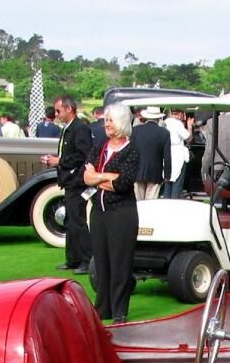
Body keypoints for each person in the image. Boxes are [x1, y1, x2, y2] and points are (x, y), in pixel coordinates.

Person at [83, 103, 139, 323]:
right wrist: (106, 177)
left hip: (121, 213)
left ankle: (119, 311)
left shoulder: (132, 149)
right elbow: (86, 177)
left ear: (122, 122)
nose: (107, 124)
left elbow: (123, 183)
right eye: (106, 120)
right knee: (102, 262)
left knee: (120, 263)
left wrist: (98, 177)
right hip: (99, 212)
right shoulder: (101, 146)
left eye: (111, 120)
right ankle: (102, 308)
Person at [41, 95, 92, 274]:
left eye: (58, 111)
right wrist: (56, 161)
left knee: (78, 221)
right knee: (70, 221)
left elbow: (83, 154)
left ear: (69, 109)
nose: (56, 114)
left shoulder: (80, 129)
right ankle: (73, 258)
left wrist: (60, 161)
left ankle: (87, 260)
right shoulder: (68, 129)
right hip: (69, 180)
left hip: (77, 181)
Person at [130, 107, 170, 201]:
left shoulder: (135, 130)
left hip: (137, 171)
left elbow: (130, 151)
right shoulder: (164, 133)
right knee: (151, 203)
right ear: (159, 118)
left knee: (138, 202)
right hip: (155, 172)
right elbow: (167, 156)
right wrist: (167, 175)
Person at [163, 108, 192, 198]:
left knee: (167, 183)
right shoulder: (177, 124)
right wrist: (190, 126)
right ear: (180, 114)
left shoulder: (164, 123)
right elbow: (188, 138)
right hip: (177, 155)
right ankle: (174, 204)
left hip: (166, 154)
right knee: (177, 183)